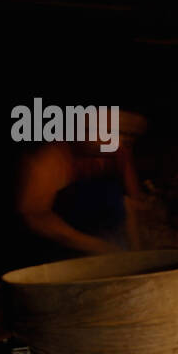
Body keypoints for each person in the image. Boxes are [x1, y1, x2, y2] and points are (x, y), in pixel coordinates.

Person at [14, 108, 149, 262]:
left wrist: (137, 255)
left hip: (111, 250)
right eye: (107, 131)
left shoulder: (118, 152)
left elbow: (131, 205)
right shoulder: (49, 158)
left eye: (127, 135)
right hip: (58, 256)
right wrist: (101, 248)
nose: (121, 140)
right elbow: (36, 218)